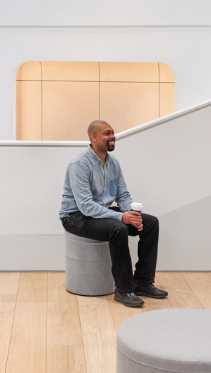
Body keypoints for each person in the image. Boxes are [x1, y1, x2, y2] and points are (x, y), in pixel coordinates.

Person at [59, 120, 168, 308]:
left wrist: (131, 214)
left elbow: (123, 195)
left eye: (113, 133)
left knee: (150, 223)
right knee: (118, 229)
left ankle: (143, 282)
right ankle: (124, 290)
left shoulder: (113, 163)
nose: (113, 137)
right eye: (107, 133)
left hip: (101, 212)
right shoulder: (79, 164)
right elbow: (85, 206)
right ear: (93, 137)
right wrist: (121, 217)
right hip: (75, 216)